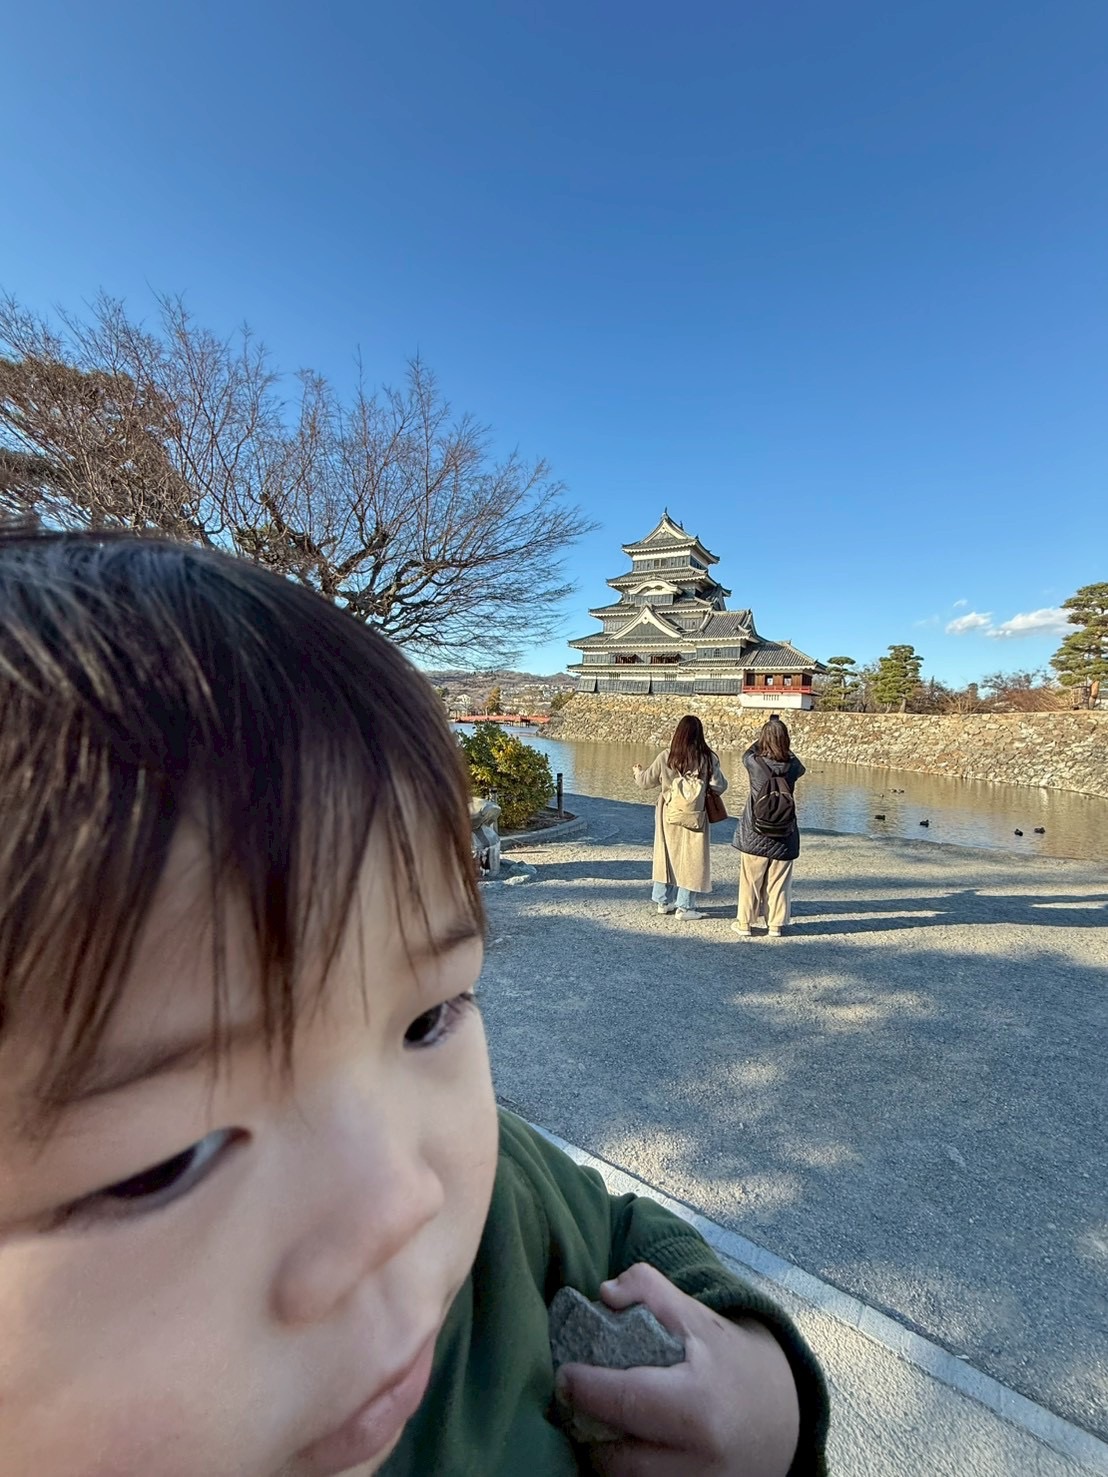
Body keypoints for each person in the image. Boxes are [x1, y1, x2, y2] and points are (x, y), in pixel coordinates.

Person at [0, 529, 828, 1476]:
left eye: (426, 1020)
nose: (399, 1199)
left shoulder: (497, 1215)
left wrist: (765, 1398)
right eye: (160, 1160)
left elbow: (617, 1228)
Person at [632, 713, 727, 923]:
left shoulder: (666, 756)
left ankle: (662, 901)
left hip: (668, 812)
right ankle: (684, 906)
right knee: (692, 859)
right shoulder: (708, 758)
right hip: (695, 814)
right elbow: (720, 786)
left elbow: (645, 783)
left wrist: (638, 772)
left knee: (666, 854)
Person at [732, 716, 806, 939]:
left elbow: (746, 753)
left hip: (755, 830)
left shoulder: (755, 763)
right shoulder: (792, 767)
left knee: (750, 881)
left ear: (763, 739)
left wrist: (762, 740)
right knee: (779, 881)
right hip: (784, 832)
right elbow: (800, 766)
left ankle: (744, 923)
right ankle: (775, 925)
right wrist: (785, 748)